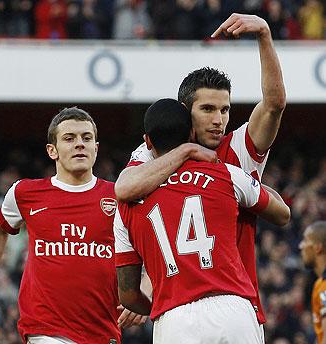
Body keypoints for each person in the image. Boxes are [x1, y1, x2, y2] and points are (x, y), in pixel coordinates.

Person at [114, 13, 286, 337]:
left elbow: (275, 104)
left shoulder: (238, 148)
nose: (219, 120)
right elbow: (125, 188)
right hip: (194, 304)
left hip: (238, 299)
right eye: (208, 109)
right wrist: (186, 152)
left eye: (225, 110)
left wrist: (264, 33)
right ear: (184, 112)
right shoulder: (156, 154)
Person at [0, 107, 146, 344]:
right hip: (45, 330)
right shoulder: (26, 193)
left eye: (87, 138)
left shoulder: (119, 197)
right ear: (52, 150)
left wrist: (146, 288)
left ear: (96, 148)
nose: (79, 144)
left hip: (102, 331)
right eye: (69, 138)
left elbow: (155, 245)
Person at [299, 221, 326, 344]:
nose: (301, 246)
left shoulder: (324, 288)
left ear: (318, 247)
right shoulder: (318, 284)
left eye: (305, 240)